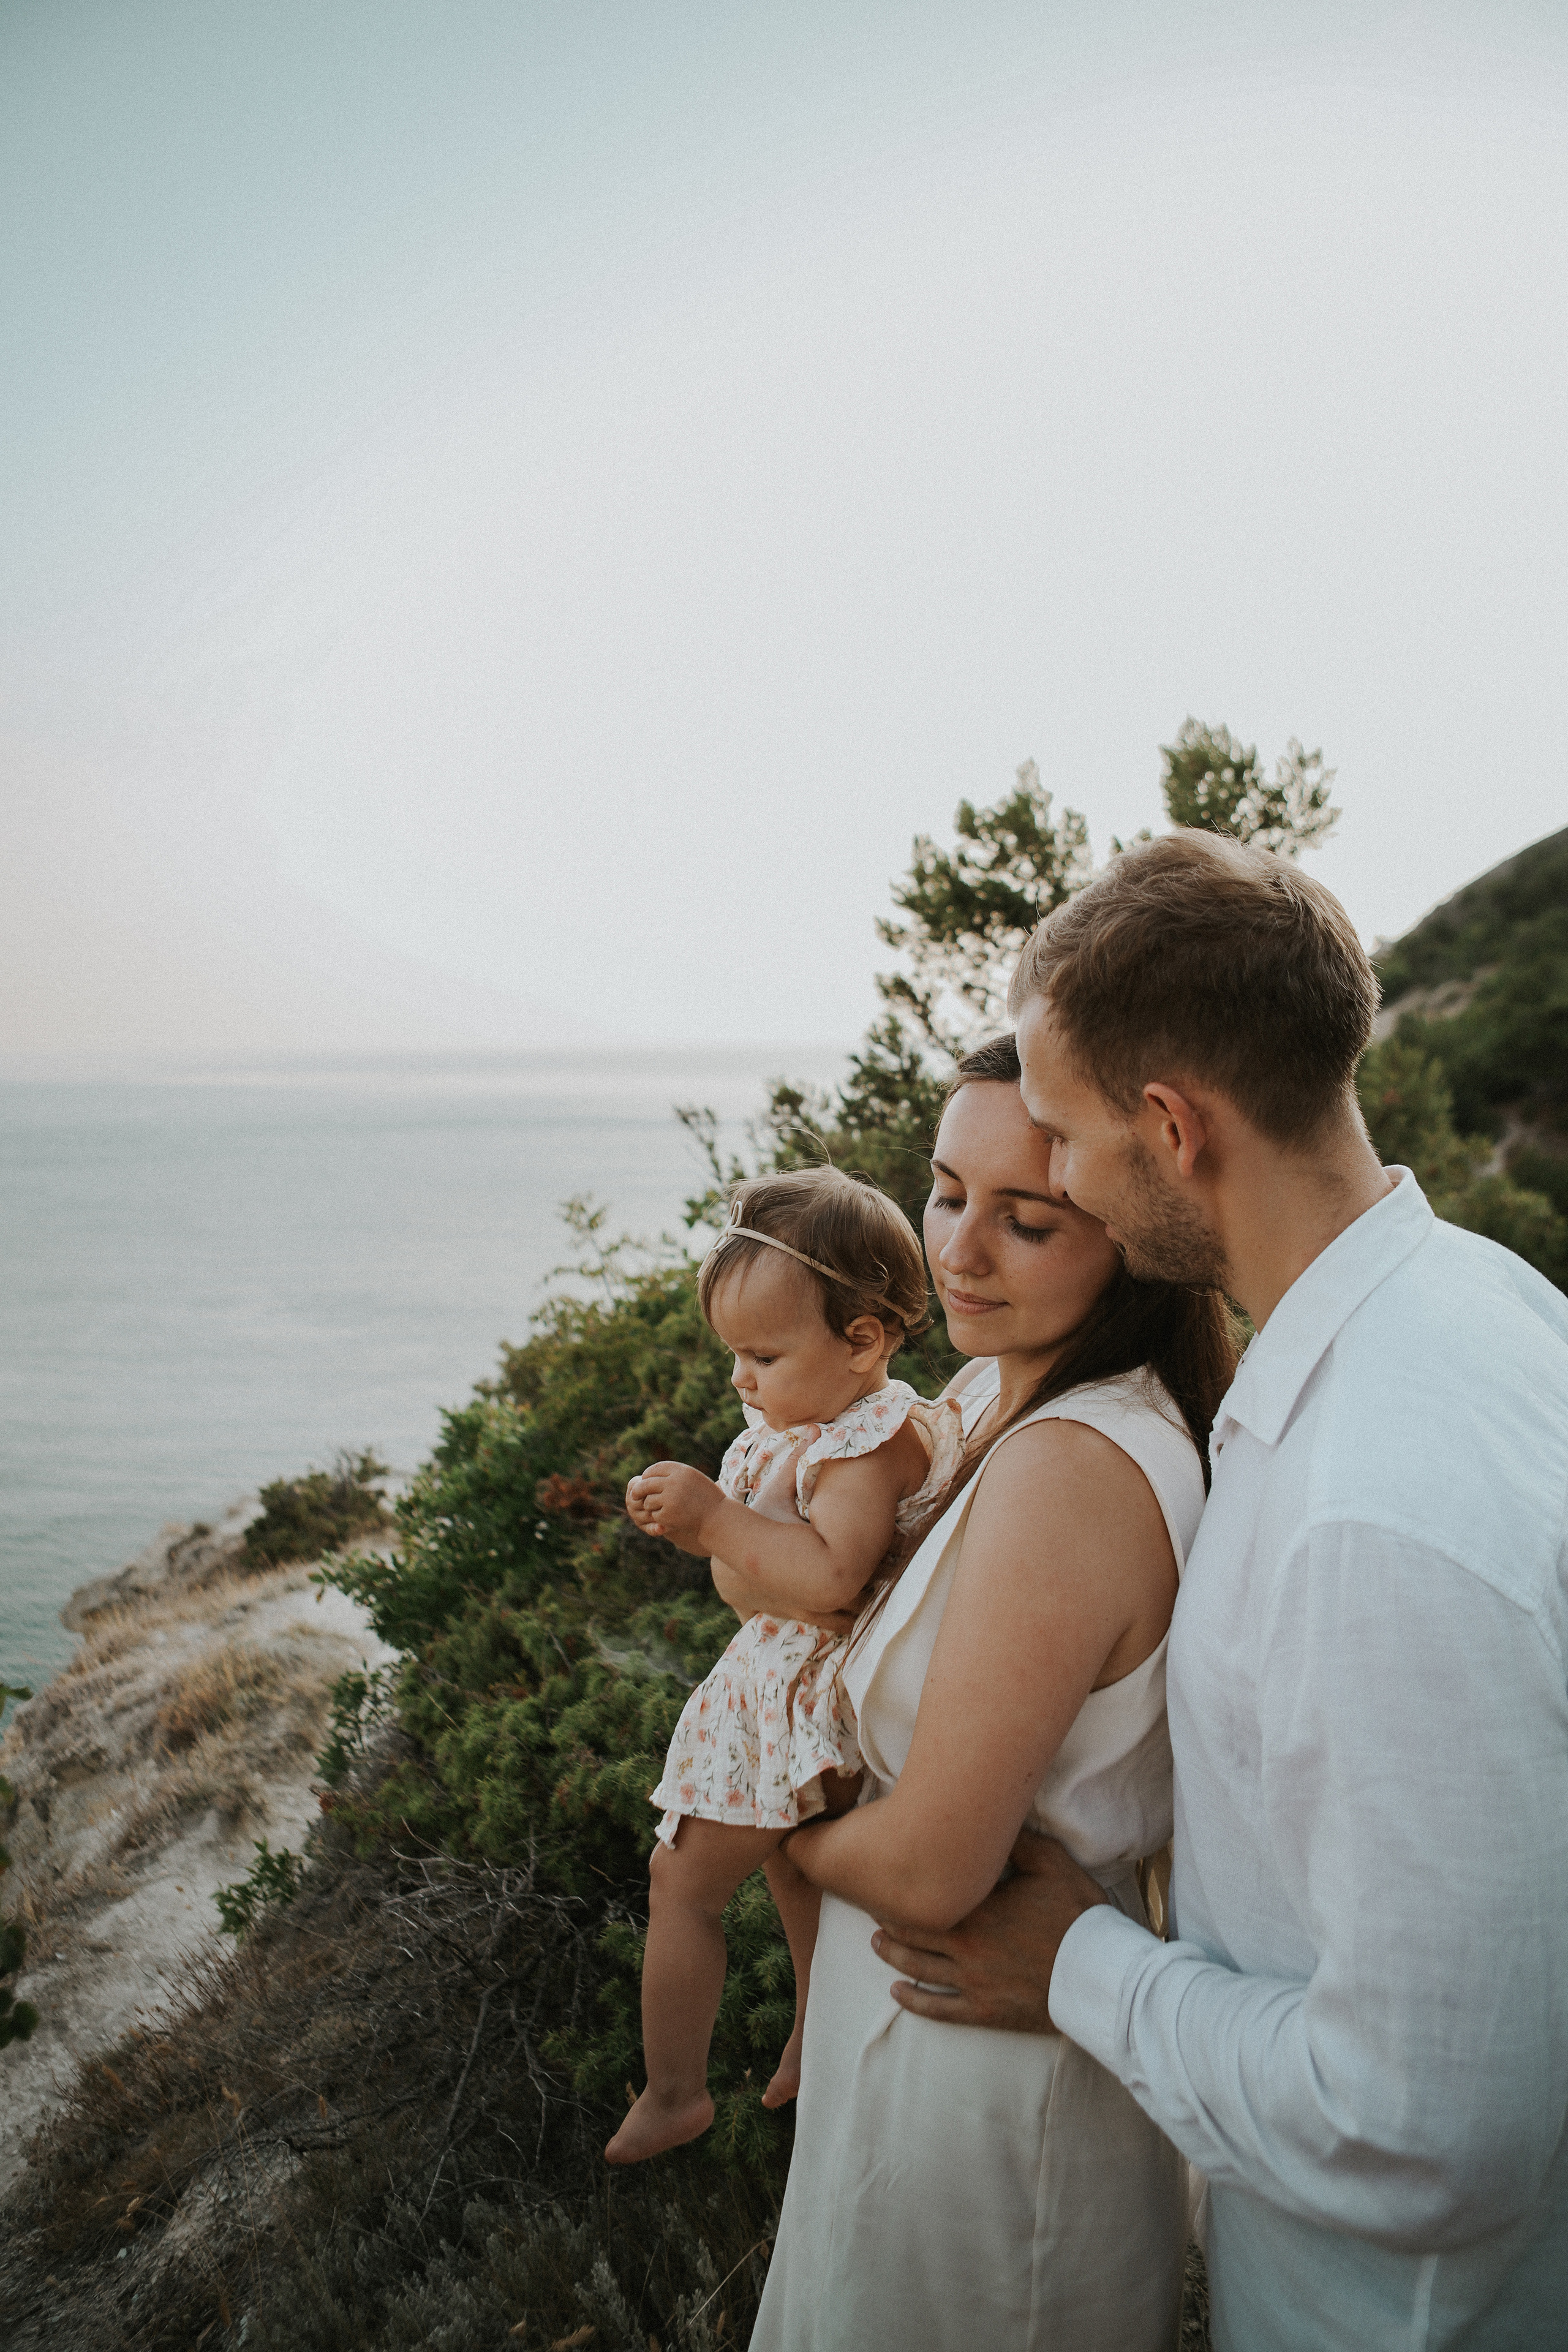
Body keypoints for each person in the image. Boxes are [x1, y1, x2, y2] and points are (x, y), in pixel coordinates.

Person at [868, 831, 1568, 2350]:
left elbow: (1430, 2128)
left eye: (1059, 1136)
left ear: (1170, 1128)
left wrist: (1082, 1968)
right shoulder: (1488, 1308)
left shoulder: (1376, 1513)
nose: (1046, 1173)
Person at [750, 1035, 1239, 2350]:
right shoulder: (987, 1397)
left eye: (1025, 1219)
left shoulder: (1074, 1463)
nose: (957, 1252)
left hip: (975, 2081)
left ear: (1131, 1227)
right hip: (911, 2041)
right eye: (946, 1191)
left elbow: (928, 1869)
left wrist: (772, 1829)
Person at [606, 1168, 964, 2165]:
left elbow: (835, 1578)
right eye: (734, 1354)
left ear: (863, 1340)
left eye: (763, 1353)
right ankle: (817, 2032)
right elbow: (749, 1587)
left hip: (806, 1696)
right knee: (788, 1879)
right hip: (779, 1687)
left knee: (679, 1882)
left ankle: (675, 2091)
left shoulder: (864, 1443)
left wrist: (717, 1523)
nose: (741, 1379)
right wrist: (718, 1540)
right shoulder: (805, 1430)